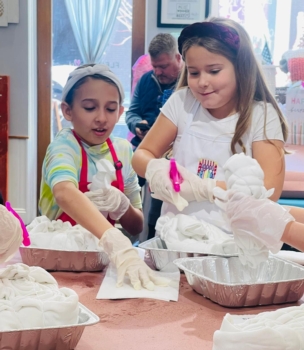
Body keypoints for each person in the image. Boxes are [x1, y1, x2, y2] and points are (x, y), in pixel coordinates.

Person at [132, 17, 288, 231]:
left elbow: (269, 190)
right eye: (194, 72)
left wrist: (205, 188)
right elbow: (142, 154)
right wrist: (157, 170)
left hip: (234, 243)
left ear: (240, 67)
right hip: (176, 236)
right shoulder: (182, 102)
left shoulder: (261, 115)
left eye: (214, 71)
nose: (202, 82)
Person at [38, 64, 168, 290]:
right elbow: (63, 192)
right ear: (67, 111)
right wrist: (113, 239)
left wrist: (122, 205)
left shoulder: (123, 151)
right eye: (89, 108)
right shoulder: (63, 147)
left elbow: (136, 225)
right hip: (60, 265)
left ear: (120, 112)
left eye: (110, 109)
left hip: (105, 264)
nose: (101, 118)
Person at [126, 33, 183, 239]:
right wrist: (136, 125)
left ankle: (152, 243)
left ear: (178, 58)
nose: (158, 72)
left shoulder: (187, 85)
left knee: (158, 208)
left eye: (164, 66)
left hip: (172, 154)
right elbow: (131, 112)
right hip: (143, 147)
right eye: (155, 66)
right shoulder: (145, 80)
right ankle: (124, 237)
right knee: (125, 188)